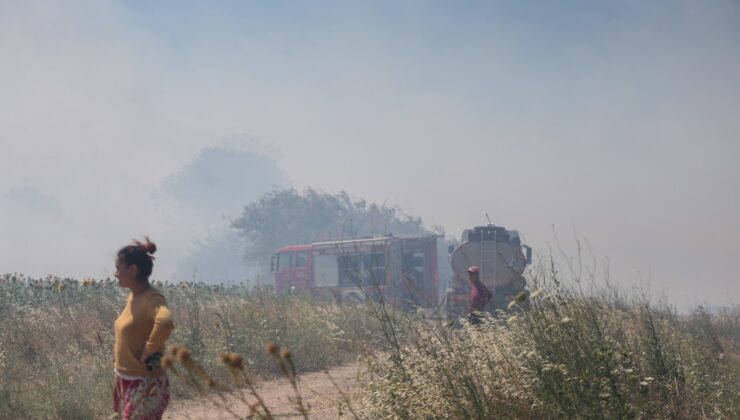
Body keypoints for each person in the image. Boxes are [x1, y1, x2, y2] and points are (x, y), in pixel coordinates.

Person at [113, 237, 174, 420]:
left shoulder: (152, 299)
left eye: (118, 268)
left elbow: (166, 321)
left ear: (133, 270)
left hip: (146, 384)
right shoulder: (134, 296)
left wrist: (149, 348)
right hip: (126, 379)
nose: (115, 273)